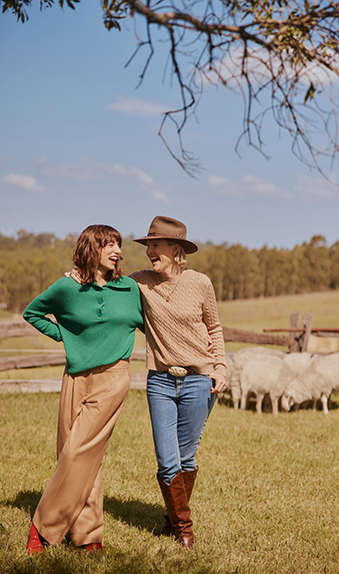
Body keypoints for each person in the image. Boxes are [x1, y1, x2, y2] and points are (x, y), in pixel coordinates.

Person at [23, 225, 144, 555]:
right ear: (91, 249)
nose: (117, 250)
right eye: (108, 244)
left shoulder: (129, 288)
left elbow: (157, 322)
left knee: (79, 451)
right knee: (77, 454)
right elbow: (32, 312)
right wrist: (63, 335)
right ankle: (88, 535)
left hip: (113, 377)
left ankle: (44, 527)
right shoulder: (67, 287)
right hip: (75, 377)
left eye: (118, 244)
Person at [130, 215, 227, 549]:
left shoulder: (200, 282)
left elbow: (214, 328)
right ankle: (184, 530)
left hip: (200, 381)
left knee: (186, 459)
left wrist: (221, 367)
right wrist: (79, 275)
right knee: (167, 459)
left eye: (155, 245)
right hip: (160, 381)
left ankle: (170, 522)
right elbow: (106, 285)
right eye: (148, 246)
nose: (149, 251)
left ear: (175, 249)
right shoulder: (139, 282)